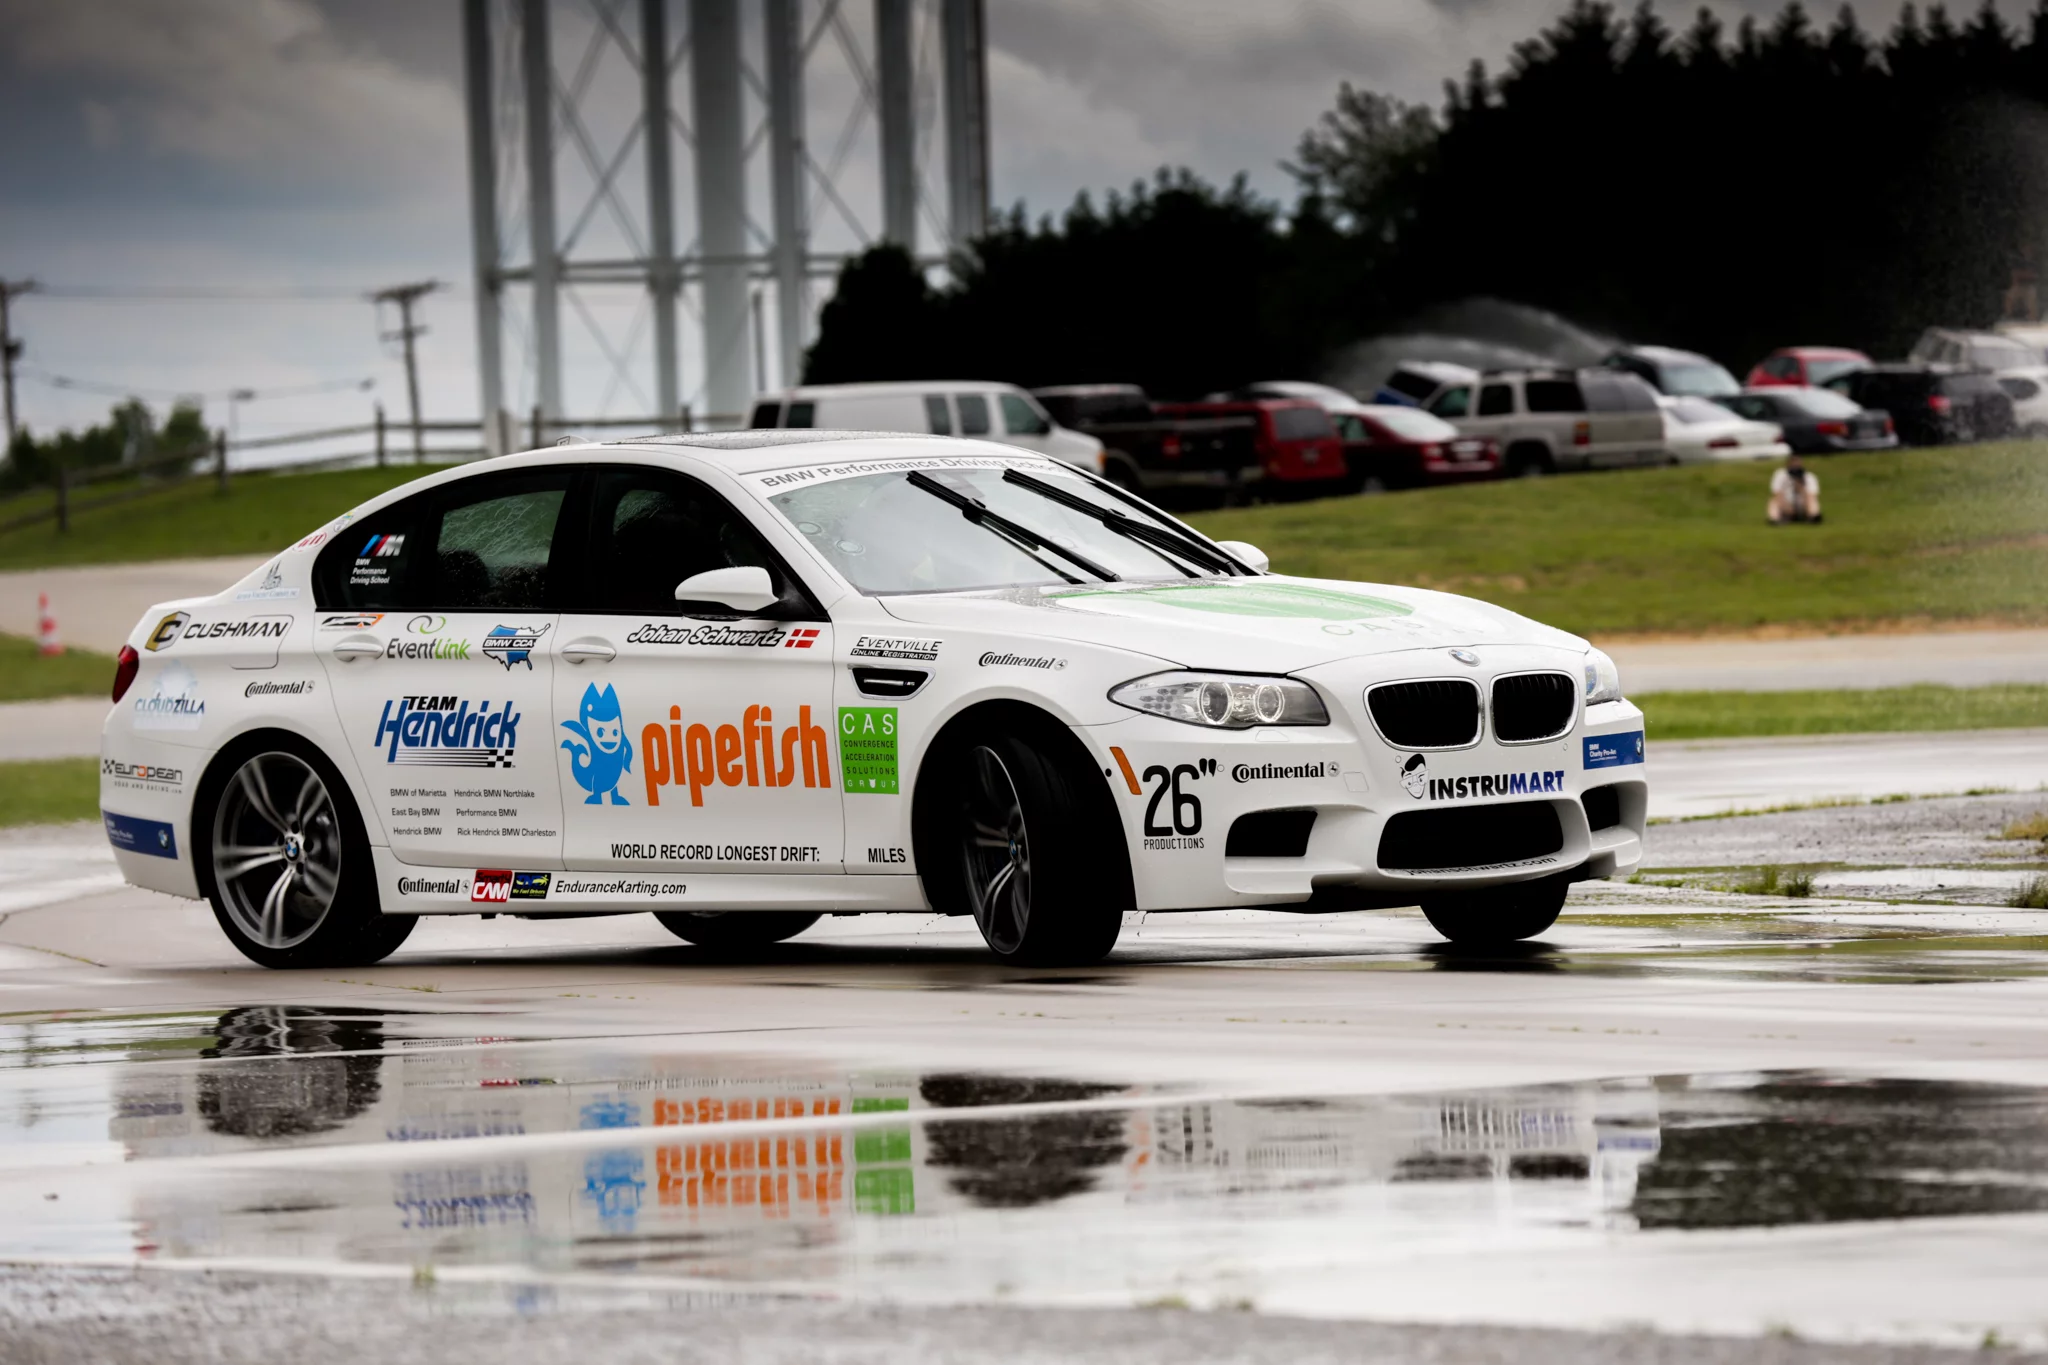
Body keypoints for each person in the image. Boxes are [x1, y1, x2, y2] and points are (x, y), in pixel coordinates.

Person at [1767, 454, 1822, 524]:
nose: (1795, 464)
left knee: (1813, 501)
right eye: (1793, 462)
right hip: (1786, 503)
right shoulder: (1780, 475)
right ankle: (1774, 519)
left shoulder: (1809, 477)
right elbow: (1777, 493)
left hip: (1802, 504)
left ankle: (1813, 516)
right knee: (1773, 501)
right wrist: (1786, 506)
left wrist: (1800, 487)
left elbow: (1811, 495)